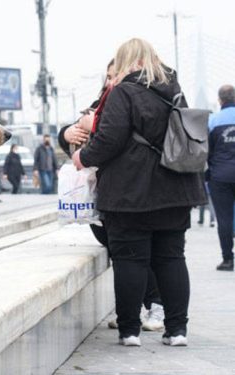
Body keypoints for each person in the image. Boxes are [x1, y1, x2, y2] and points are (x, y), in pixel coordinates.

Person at [73, 38, 207, 347]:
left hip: (129, 193)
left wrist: (84, 157)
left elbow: (109, 138)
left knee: (130, 260)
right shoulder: (175, 91)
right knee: (172, 257)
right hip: (175, 189)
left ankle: (130, 331)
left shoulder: (123, 92)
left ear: (125, 62)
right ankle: (177, 331)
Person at [61, 58, 165, 333]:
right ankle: (129, 312)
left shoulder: (142, 99)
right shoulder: (104, 101)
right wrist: (67, 133)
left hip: (133, 192)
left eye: (113, 75)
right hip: (106, 194)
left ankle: (155, 305)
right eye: (107, 76)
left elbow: (116, 136)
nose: (109, 81)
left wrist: (93, 125)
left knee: (137, 253)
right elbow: (77, 137)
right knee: (121, 254)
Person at [207, 84, 235, 271]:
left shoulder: (213, 120)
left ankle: (227, 259)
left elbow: (206, 151)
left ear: (220, 100)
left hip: (220, 177)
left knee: (224, 219)